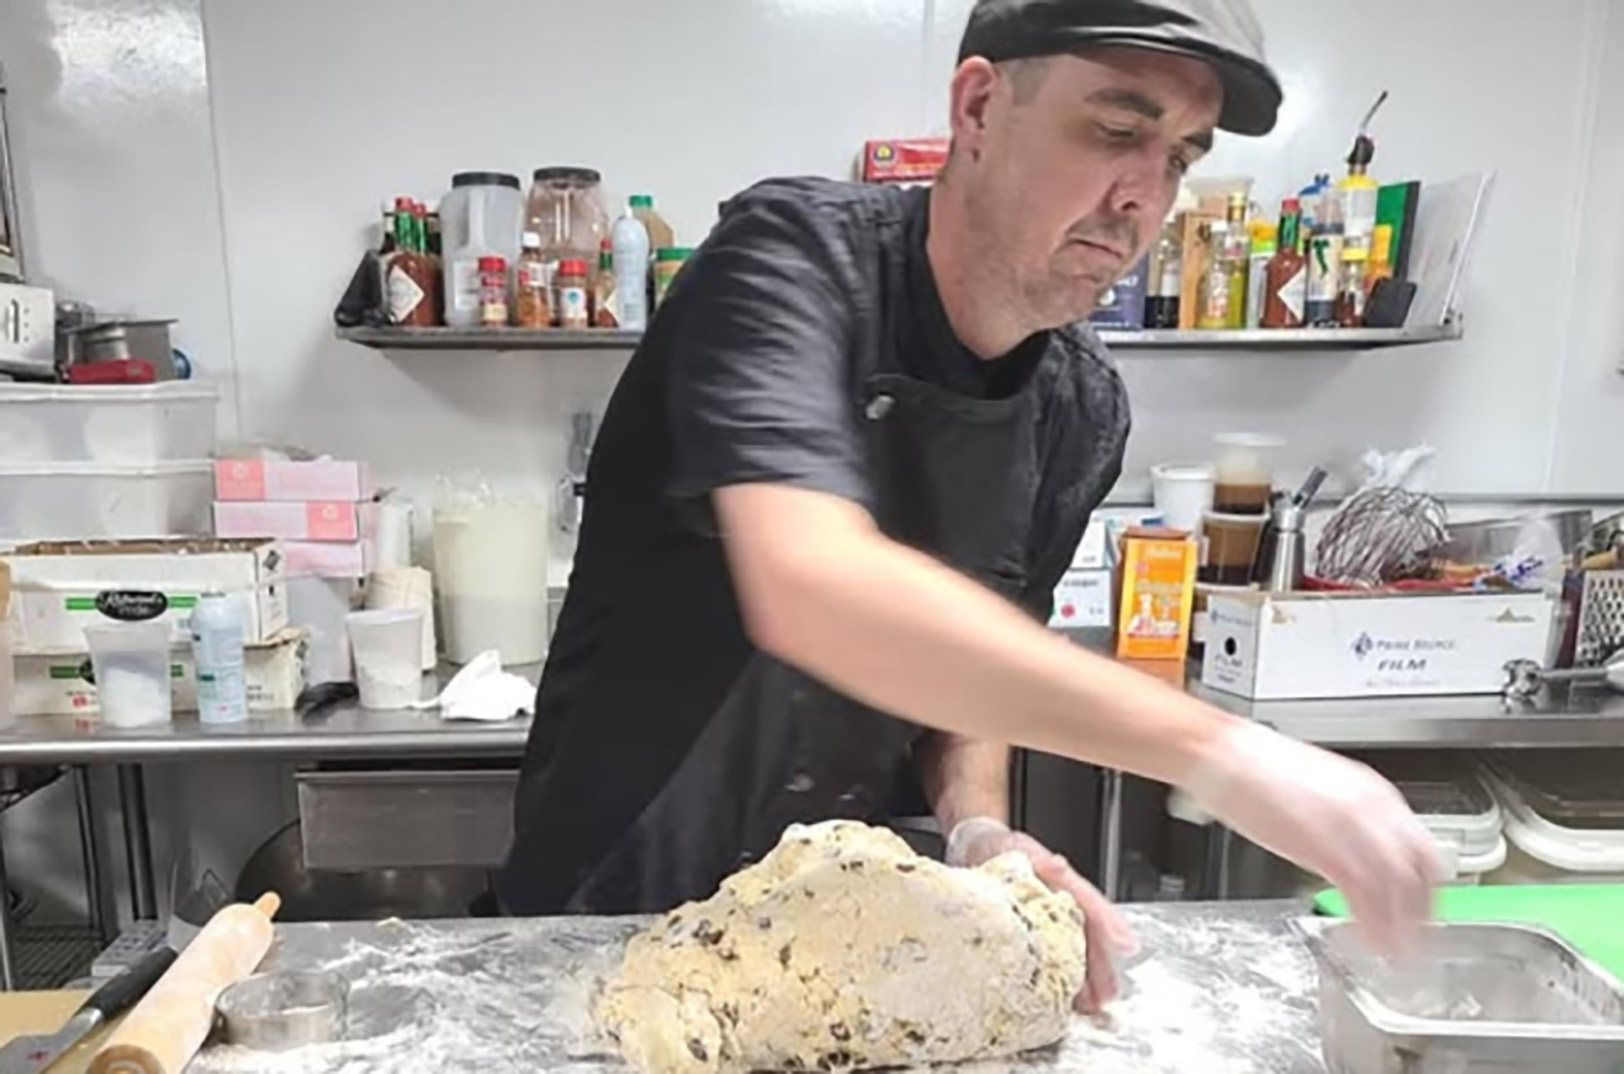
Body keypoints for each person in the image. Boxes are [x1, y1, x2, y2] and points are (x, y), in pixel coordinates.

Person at [498, 0, 1440, 1010]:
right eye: (1117, 131)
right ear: (980, 106)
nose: (1143, 196)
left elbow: (973, 677)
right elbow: (813, 585)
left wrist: (980, 833)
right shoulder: (788, 263)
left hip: (849, 932)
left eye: (1178, 157)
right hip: (615, 914)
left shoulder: (1077, 405)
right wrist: (1220, 750)